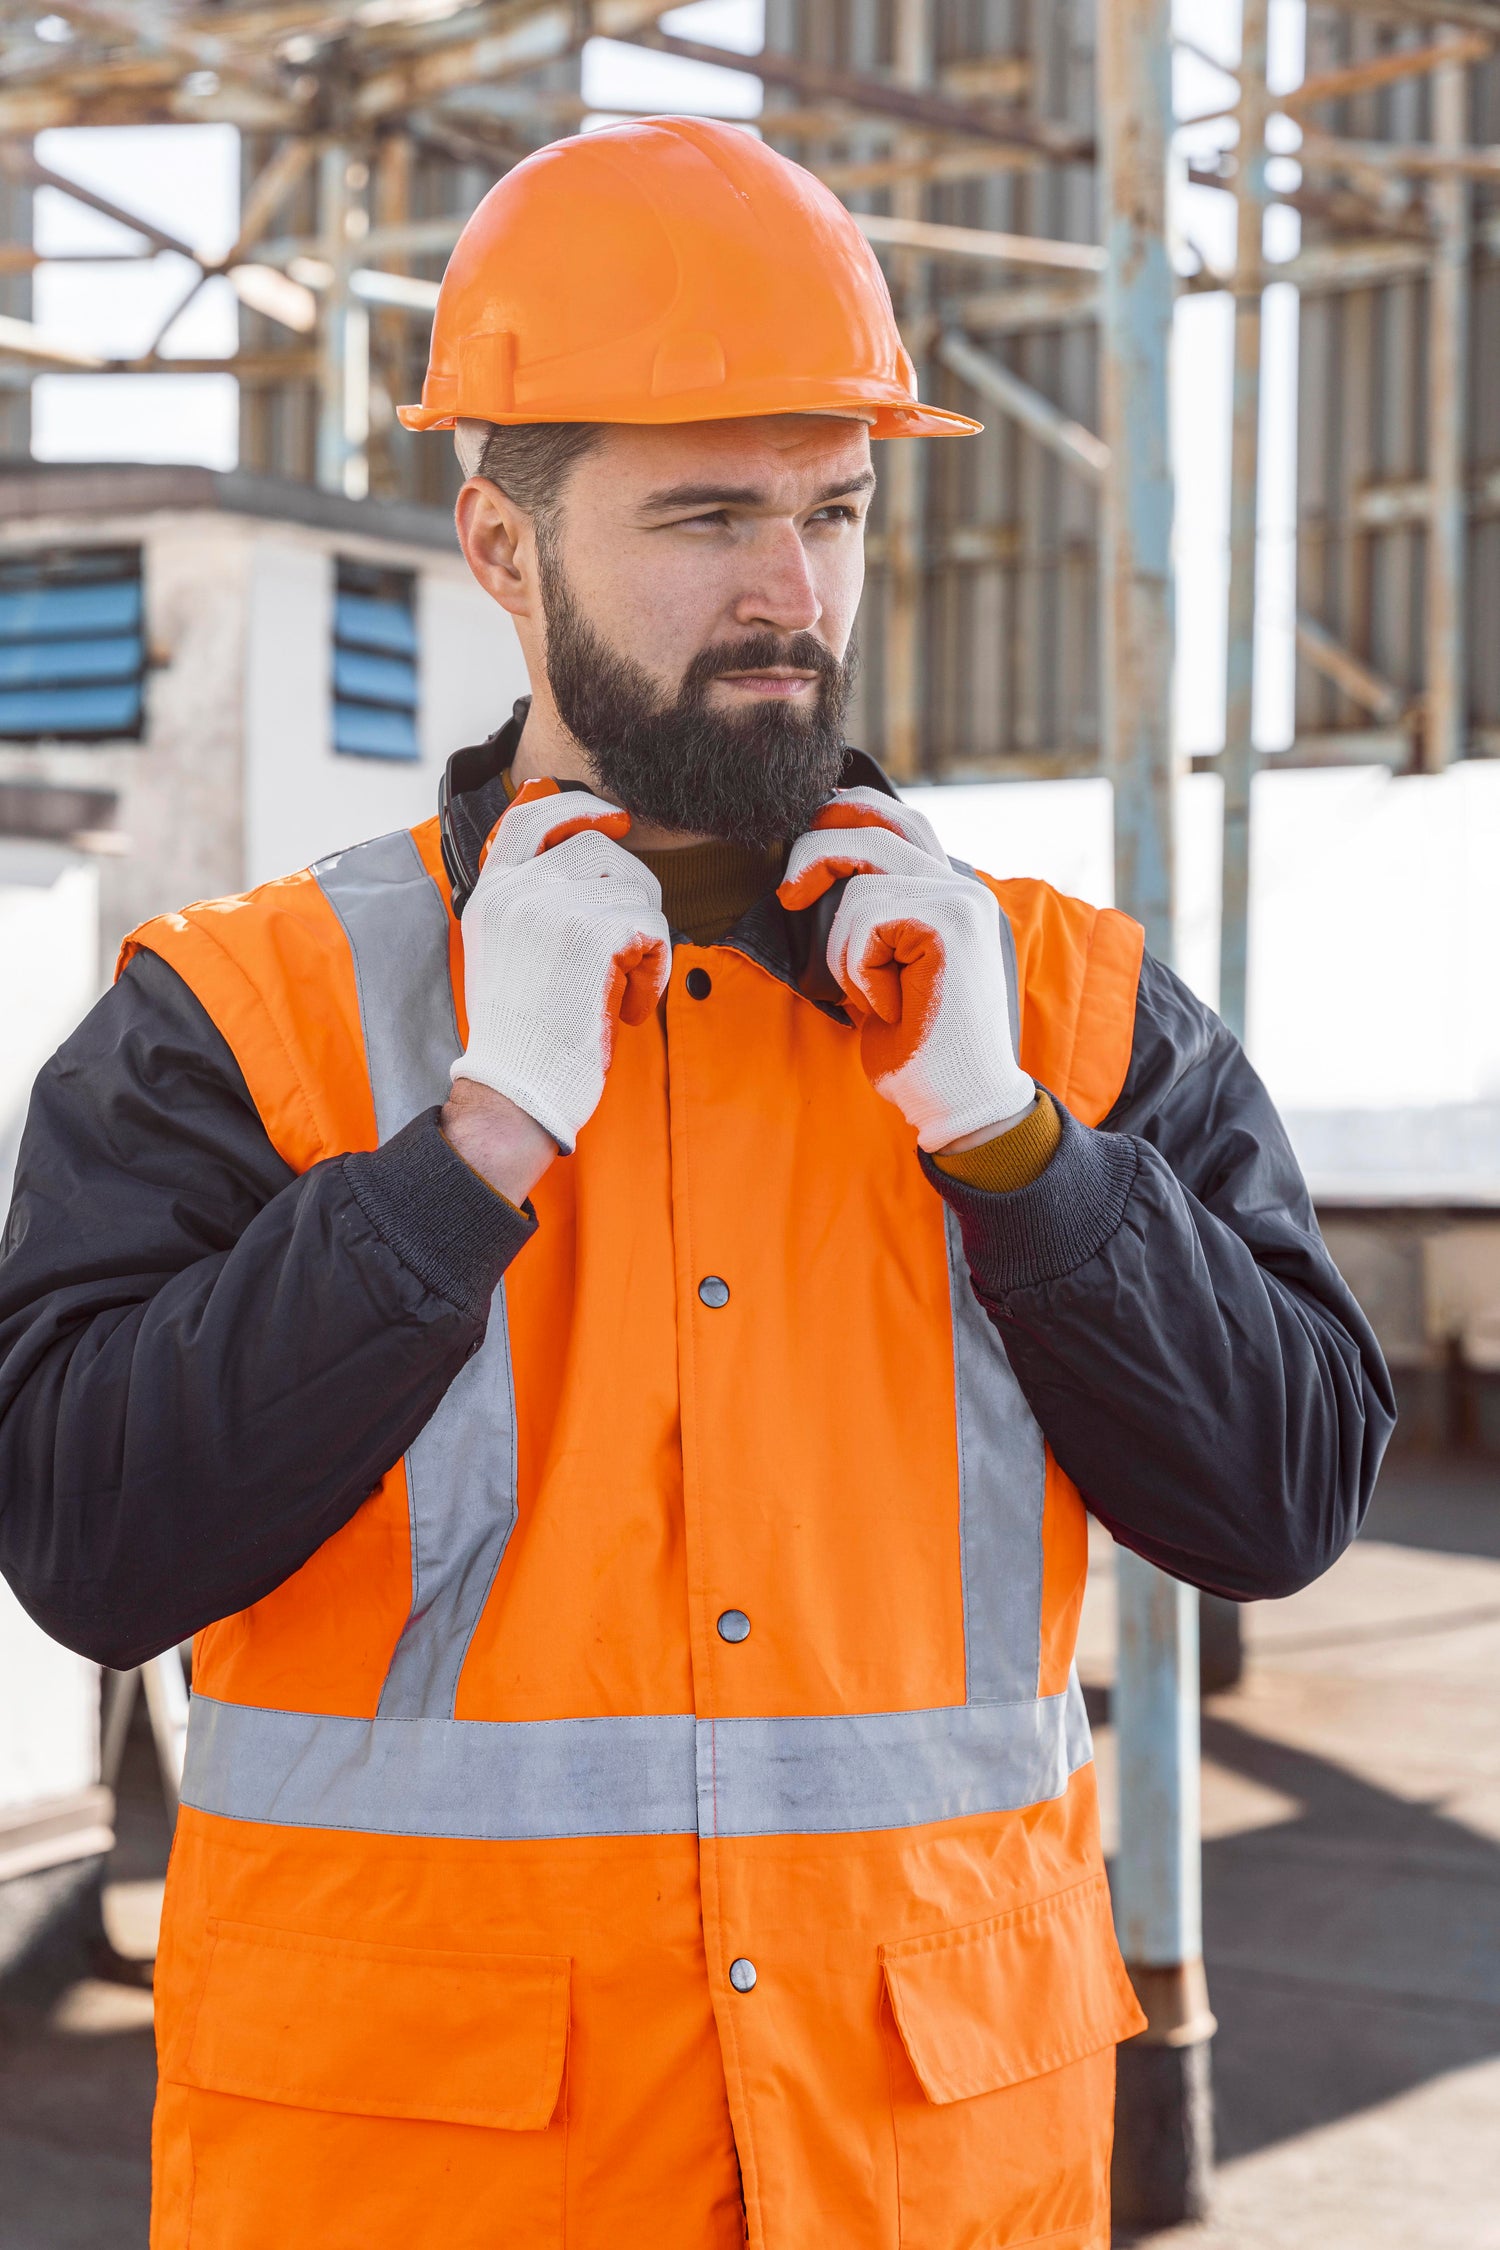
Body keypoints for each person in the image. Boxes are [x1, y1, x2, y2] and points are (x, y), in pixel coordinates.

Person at [0, 119, 1391, 2250]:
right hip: (416, 2189)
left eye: (833, 511)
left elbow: (1282, 1499)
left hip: (927, 2176)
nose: (789, 591)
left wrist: (1020, 1152)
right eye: (708, 515)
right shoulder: (239, 1017)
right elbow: (95, 1543)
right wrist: (471, 1152)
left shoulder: (1065, 1015)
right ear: (498, 544)